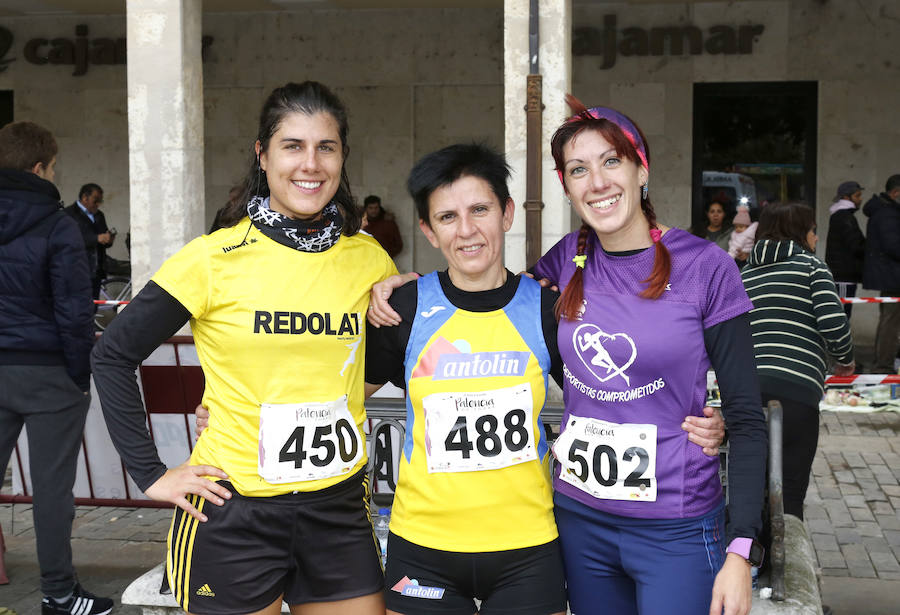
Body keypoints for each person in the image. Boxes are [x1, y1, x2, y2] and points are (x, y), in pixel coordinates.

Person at [91, 81, 397, 615]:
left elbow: (365, 369)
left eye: (326, 147)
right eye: (292, 146)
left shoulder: (369, 259)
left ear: (343, 156)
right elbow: (112, 354)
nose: (311, 163)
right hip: (233, 512)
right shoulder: (213, 258)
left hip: (338, 508)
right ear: (262, 153)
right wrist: (152, 474)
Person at [532, 99, 767, 615]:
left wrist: (741, 550)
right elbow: (484, 303)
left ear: (642, 169)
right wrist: (410, 288)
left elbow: (748, 418)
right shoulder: (564, 260)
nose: (597, 182)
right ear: (566, 186)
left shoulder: (705, 267)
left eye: (611, 160)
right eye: (578, 169)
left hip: (676, 528)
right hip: (579, 518)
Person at [0, 121, 113, 615]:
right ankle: (58, 594)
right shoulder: (58, 224)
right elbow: (73, 311)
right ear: (41, 166)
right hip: (48, 371)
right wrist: (78, 374)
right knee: (51, 491)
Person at [741, 201, 854, 521]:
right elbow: (834, 325)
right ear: (800, 233)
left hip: (747, 392)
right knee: (790, 490)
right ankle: (787, 562)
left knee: (752, 486)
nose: (816, 239)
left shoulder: (745, 274)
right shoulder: (811, 267)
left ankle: (748, 558)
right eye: (813, 231)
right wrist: (845, 360)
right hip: (797, 392)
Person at [862, 174, 900, 374]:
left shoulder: (886, 211)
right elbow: (893, 246)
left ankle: (884, 363)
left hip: (890, 275)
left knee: (889, 321)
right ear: (895, 193)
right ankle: (883, 366)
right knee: (890, 323)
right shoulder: (888, 214)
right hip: (893, 277)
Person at [64, 183, 114, 300]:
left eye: (100, 201)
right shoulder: (68, 214)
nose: (98, 204)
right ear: (85, 198)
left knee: (93, 306)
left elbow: (103, 239)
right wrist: (96, 238)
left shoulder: (99, 215)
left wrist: (108, 239)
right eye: (95, 200)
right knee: (77, 305)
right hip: (76, 269)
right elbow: (69, 240)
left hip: (96, 270)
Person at [825, 180, 866, 319]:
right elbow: (856, 245)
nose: (860, 199)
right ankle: (839, 342)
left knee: (841, 314)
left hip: (843, 274)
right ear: (846, 197)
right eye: (857, 195)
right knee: (841, 316)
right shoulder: (844, 217)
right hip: (844, 275)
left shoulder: (841, 215)